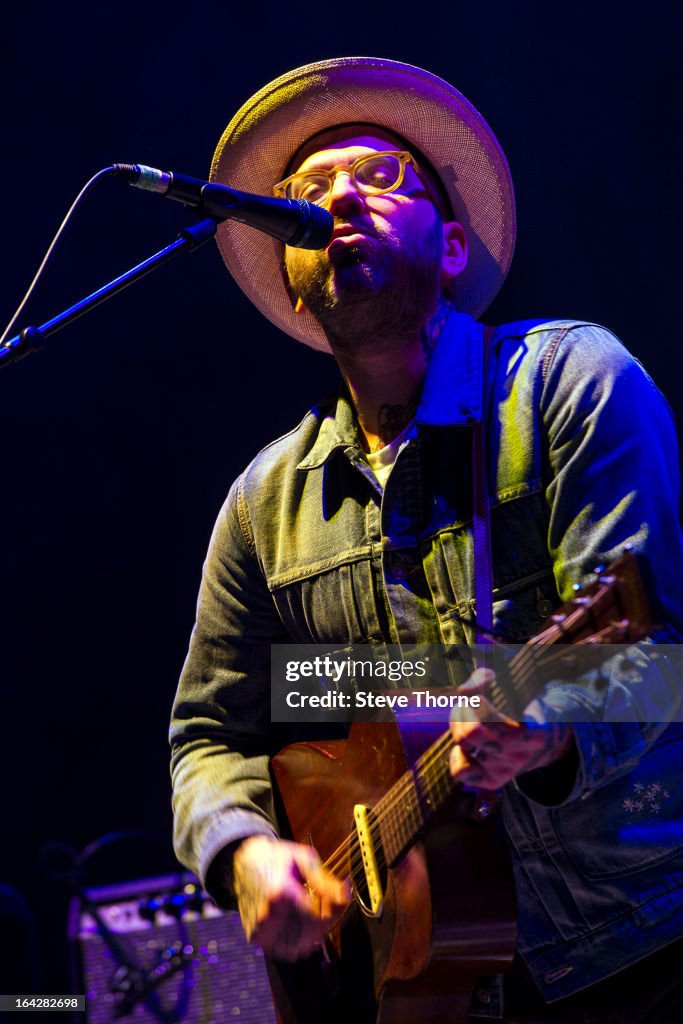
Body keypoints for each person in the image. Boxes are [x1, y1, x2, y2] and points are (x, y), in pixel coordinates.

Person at [170, 57, 683, 1022]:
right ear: (291, 276)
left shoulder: (569, 382)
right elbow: (209, 735)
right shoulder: (261, 503)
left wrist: (547, 721)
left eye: (379, 175)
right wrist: (241, 850)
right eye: (307, 192)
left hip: (634, 950)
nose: (338, 199)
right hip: (427, 985)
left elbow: (659, 660)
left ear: (450, 247)